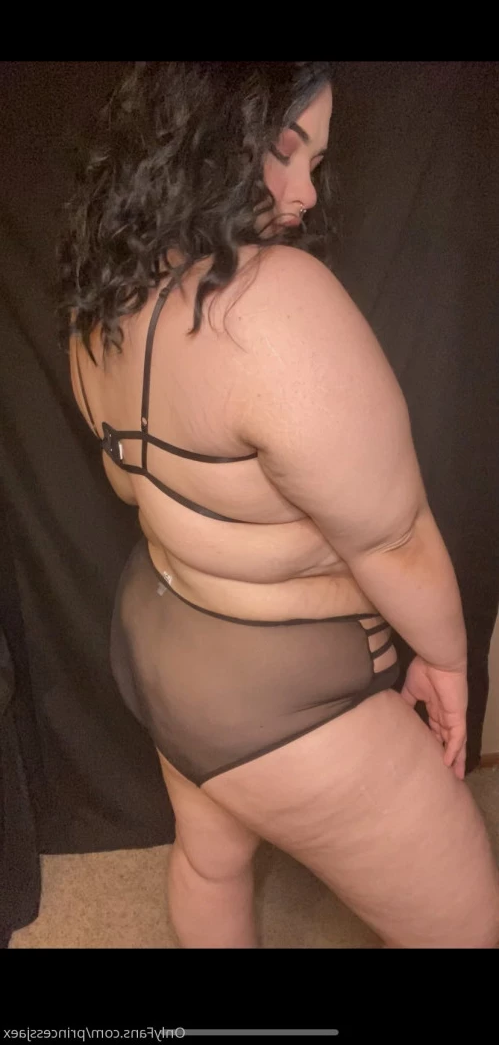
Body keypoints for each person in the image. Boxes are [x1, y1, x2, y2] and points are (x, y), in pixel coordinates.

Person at [58, 61, 499, 948]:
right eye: (283, 151)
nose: (302, 194)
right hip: (276, 699)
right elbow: (395, 540)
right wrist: (447, 665)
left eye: (317, 163)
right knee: (468, 926)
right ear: (202, 139)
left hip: (158, 642)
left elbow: (138, 485)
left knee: (209, 860)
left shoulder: (102, 301)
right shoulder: (270, 299)